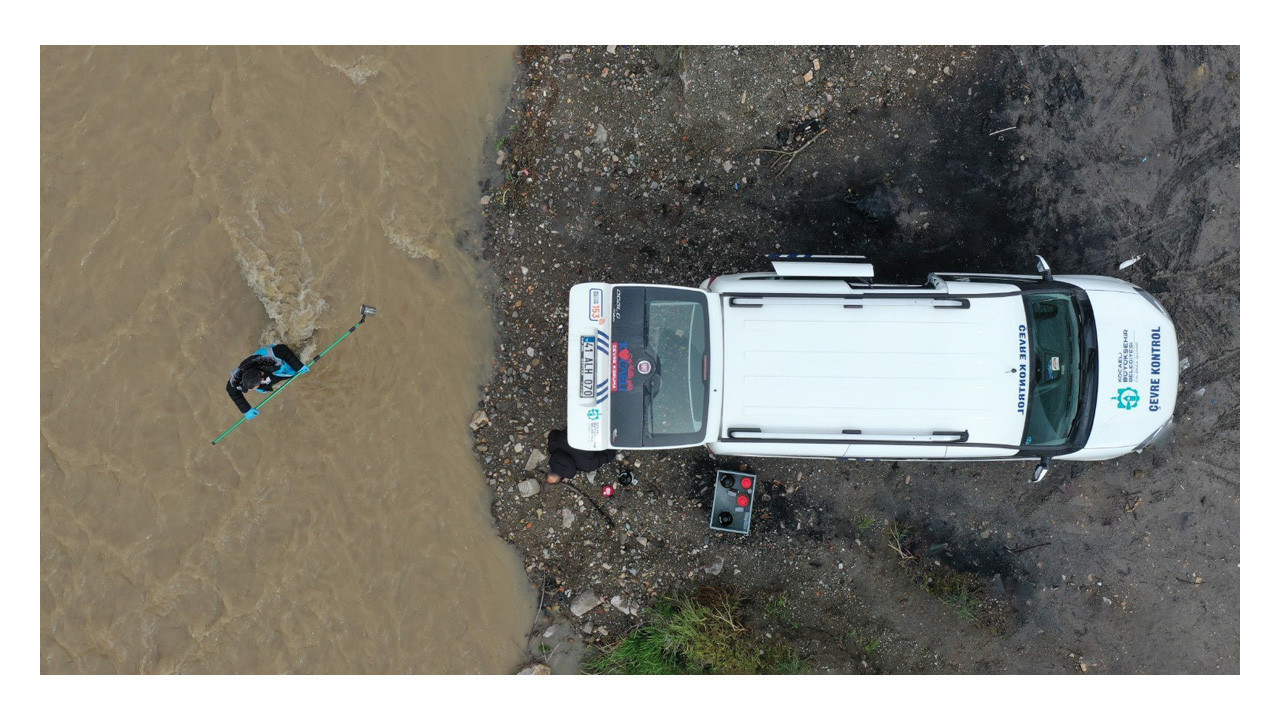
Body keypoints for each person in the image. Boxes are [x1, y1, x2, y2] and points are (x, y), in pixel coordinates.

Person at [227, 343, 309, 419]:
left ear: (261, 379)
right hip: (258, 369)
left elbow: (282, 349)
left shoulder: (272, 360)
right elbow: (230, 389)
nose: (250, 391)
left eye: (252, 389)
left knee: (294, 366)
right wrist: (246, 410)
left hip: (274, 362)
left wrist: (299, 366)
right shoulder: (237, 379)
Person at [545, 428, 616, 484]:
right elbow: (553, 432)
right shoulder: (552, 445)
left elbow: (610, 454)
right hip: (586, 417)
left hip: (607, 430)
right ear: (550, 468)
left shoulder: (587, 465)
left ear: (563, 478)